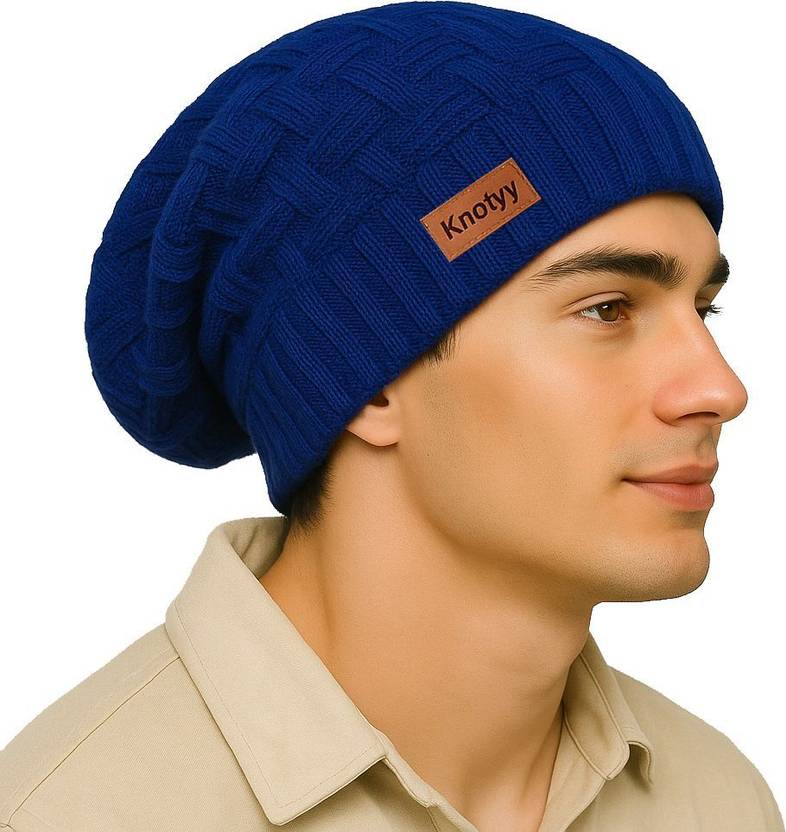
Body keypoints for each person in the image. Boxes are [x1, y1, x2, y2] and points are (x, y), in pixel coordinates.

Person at [1, 3, 782, 831]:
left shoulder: (718, 801)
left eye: (704, 309)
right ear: (368, 379)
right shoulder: (74, 813)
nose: (720, 389)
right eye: (608, 309)